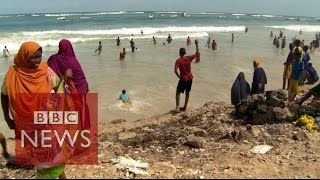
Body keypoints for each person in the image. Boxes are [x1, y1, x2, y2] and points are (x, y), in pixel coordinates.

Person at [1, 41, 68, 179]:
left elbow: (58, 88)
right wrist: (7, 118)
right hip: (25, 123)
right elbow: (3, 94)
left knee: (50, 153)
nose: (38, 60)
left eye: (40, 56)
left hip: (46, 122)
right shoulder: (12, 75)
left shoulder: (46, 71)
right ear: (24, 56)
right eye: (34, 57)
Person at [174, 39, 199, 112]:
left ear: (180, 53)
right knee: (187, 92)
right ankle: (185, 107)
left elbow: (175, 70)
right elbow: (197, 53)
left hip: (183, 79)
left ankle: (177, 107)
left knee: (178, 92)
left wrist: (178, 76)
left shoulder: (178, 61)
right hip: (190, 78)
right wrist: (196, 44)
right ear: (185, 53)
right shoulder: (188, 58)